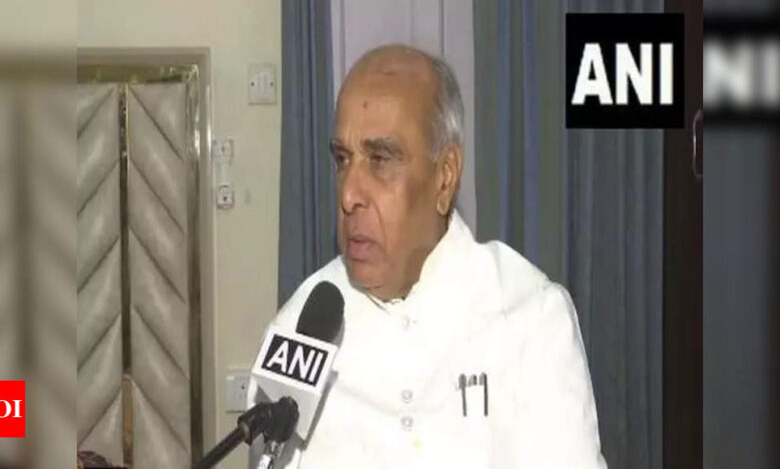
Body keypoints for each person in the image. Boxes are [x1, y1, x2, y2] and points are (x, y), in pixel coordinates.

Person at [248, 44, 607, 469]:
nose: (348, 194)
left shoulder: (531, 319)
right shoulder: (299, 327)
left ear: (445, 177)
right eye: (342, 159)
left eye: (380, 159)